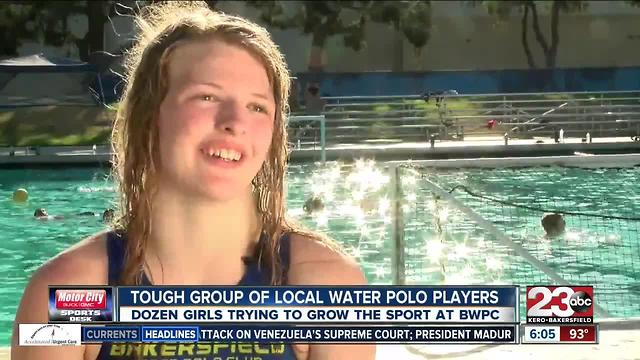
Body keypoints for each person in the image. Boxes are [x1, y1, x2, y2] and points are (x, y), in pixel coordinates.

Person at [11, 2, 373, 360]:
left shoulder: (325, 286)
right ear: (149, 116)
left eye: (257, 106)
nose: (235, 121)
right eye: (207, 96)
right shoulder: (73, 292)